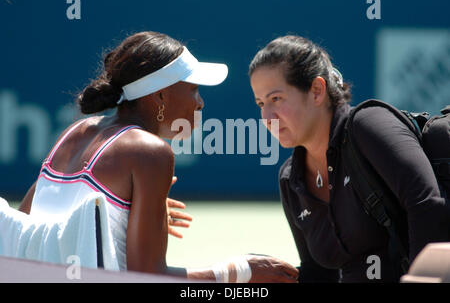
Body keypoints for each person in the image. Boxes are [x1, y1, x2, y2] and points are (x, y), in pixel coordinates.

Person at [17, 31, 298, 283]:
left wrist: (122, 213)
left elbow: (26, 226)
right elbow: (149, 278)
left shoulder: (75, 131)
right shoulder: (151, 152)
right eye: (193, 89)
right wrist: (242, 271)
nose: (200, 102)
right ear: (160, 97)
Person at [248, 35, 449, 282]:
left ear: (317, 91)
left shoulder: (368, 124)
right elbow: (320, 274)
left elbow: (428, 205)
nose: (267, 116)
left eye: (276, 99)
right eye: (260, 103)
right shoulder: (290, 180)